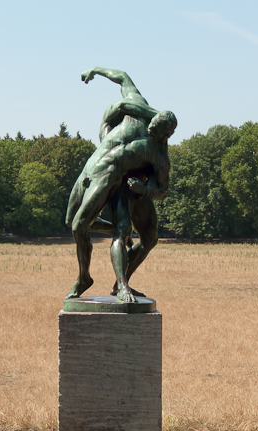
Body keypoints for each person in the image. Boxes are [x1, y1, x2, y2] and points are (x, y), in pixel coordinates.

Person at [65, 67, 177, 302]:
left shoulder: (158, 154)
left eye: (157, 131)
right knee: (72, 223)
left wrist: (144, 189)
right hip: (91, 167)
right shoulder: (136, 106)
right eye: (153, 124)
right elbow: (123, 77)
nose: (151, 130)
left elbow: (163, 190)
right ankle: (88, 274)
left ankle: (113, 283)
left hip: (111, 178)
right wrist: (95, 70)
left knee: (86, 227)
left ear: (166, 136)